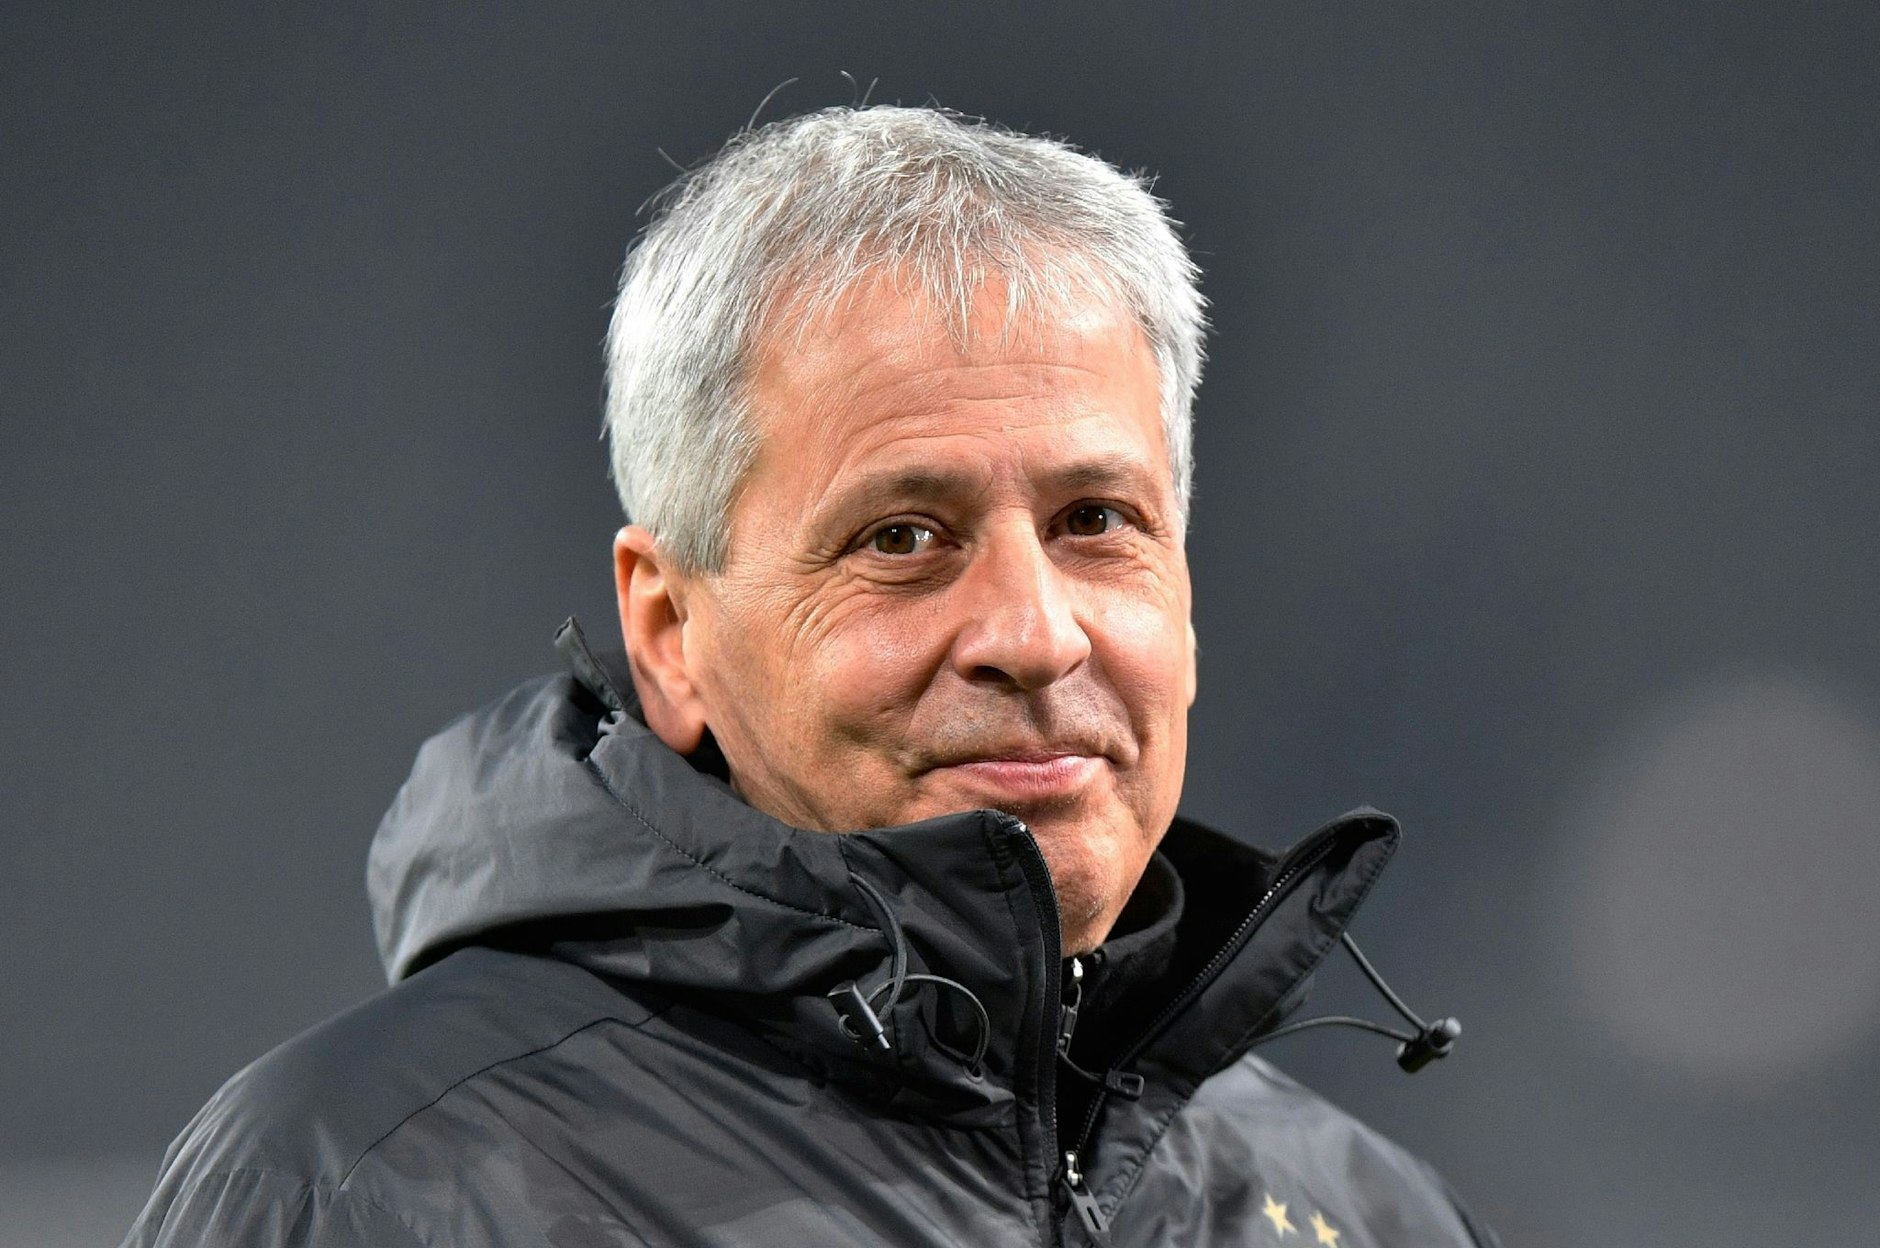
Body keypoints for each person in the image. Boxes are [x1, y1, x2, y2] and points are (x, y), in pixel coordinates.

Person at [125, 106, 1496, 1247]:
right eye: (902, 538)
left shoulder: (1369, 1215)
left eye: (1097, 521)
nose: (1035, 634)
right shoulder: (359, 1192)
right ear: (671, 632)